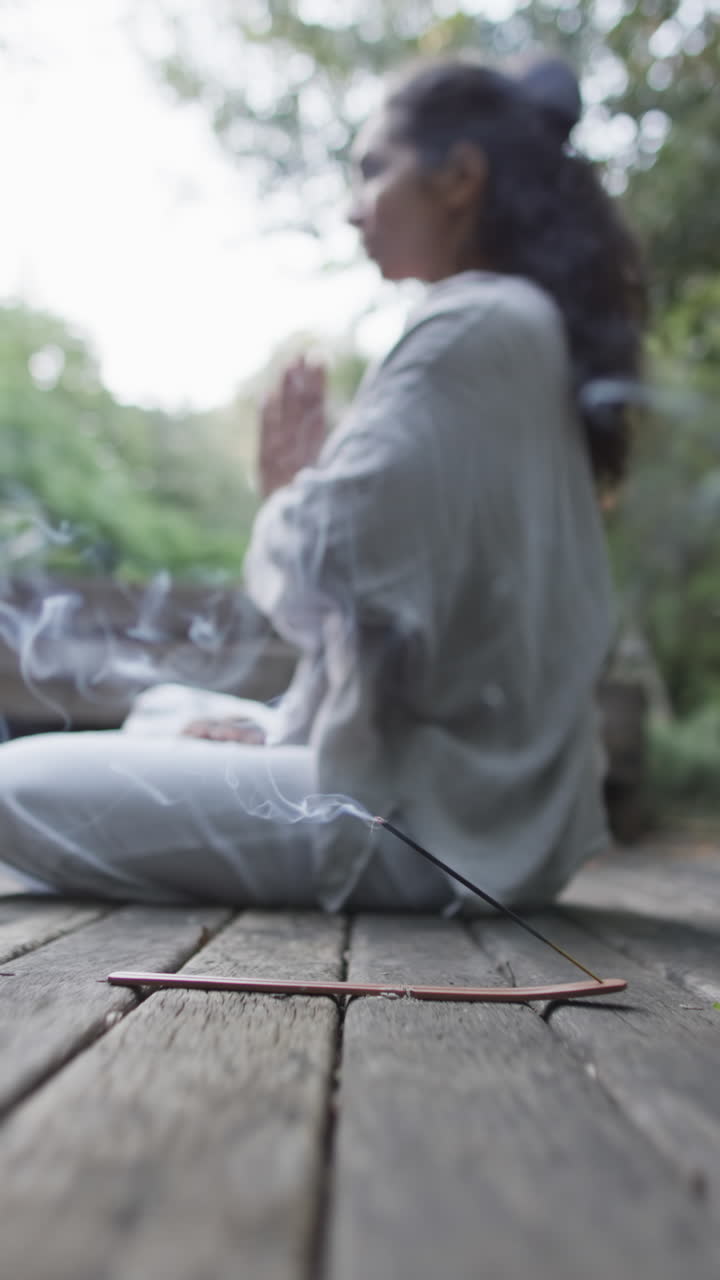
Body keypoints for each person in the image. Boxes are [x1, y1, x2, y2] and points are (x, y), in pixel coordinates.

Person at [0, 55, 646, 913]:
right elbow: (375, 596)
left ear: (460, 177)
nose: (353, 205)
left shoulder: (478, 322)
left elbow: (318, 566)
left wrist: (285, 492)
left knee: (11, 785)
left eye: (373, 169)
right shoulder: (520, 325)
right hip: (466, 809)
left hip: (419, 826)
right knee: (164, 708)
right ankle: (256, 742)